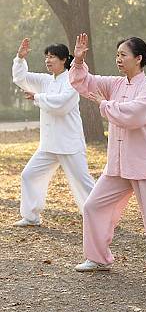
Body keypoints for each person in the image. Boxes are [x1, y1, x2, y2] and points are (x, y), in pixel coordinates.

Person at [69, 33, 146, 274]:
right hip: (119, 164)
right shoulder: (115, 84)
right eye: (117, 55)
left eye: (123, 55)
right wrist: (78, 61)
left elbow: (133, 116)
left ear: (138, 58)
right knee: (93, 206)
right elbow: (84, 83)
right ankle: (98, 258)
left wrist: (104, 104)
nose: (118, 59)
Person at [11, 38, 95, 227]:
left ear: (64, 60)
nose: (48, 61)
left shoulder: (73, 80)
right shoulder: (45, 80)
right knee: (29, 175)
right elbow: (21, 79)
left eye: (53, 57)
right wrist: (20, 58)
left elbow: (62, 105)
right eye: (46, 57)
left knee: (83, 183)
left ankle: (102, 216)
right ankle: (31, 216)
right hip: (48, 145)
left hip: (69, 143)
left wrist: (37, 97)